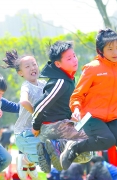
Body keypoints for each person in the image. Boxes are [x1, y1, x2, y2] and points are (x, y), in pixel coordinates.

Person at [60, 28, 117, 180]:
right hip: (90, 115)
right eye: (110, 49)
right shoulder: (92, 68)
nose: (115, 52)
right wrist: (75, 109)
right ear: (100, 51)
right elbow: (77, 94)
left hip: (112, 115)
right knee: (107, 140)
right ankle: (75, 147)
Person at [31, 40, 92, 172]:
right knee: (88, 147)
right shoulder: (60, 82)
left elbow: (61, 106)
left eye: (74, 56)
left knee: (87, 152)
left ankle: (48, 151)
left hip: (58, 126)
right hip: (52, 127)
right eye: (69, 58)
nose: (74, 60)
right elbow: (40, 105)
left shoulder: (68, 79)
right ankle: (56, 145)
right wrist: (35, 126)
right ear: (58, 64)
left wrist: (73, 115)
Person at [1, 49, 46, 180]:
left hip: (37, 130)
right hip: (24, 133)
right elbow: (24, 101)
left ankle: (31, 162)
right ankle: (25, 159)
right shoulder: (26, 86)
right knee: (45, 155)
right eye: (27, 66)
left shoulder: (43, 84)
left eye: (34, 64)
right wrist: (37, 114)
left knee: (52, 150)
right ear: (20, 73)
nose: (32, 68)